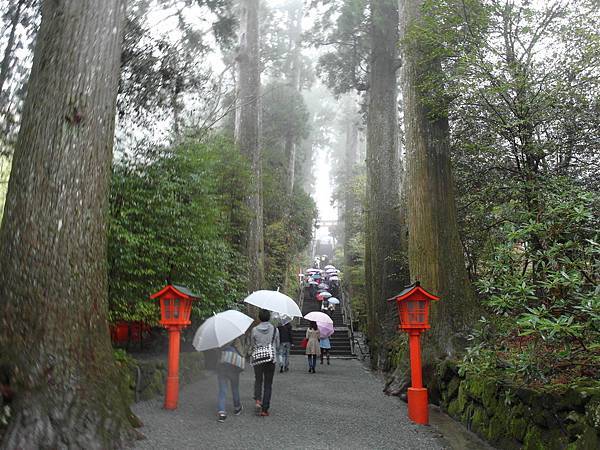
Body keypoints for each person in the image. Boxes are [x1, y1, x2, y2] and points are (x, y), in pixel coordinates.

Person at [251, 309, 280, 417]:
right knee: (268, 384)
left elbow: (252, 344)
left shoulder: (254, 330)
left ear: (259, 317)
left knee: (258, 380)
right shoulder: (275, 330)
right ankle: (265, 409)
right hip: (270, 359)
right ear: (269, 318)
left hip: (258, 358)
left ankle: (258, 400)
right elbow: (277, 345)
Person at [216, 337, 245, 423]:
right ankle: (237, 408)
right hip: (233, 366)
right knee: (235, 388)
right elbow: (241, 353)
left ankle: (222, 412)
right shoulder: (235, 338)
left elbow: (217, 354)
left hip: (222, 366)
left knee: (222, 390)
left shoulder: (219, 339)